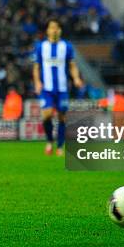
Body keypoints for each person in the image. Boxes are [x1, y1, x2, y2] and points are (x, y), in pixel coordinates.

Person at [33, 20, 83, 156]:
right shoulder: (41, 47)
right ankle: (50, 141)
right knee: (47, 115)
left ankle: (60, 146)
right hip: (47, 89)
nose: (54, 30)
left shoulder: (66, 46)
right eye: (51, 28)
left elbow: (72, 65)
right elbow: (36, 67)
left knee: (62, 117)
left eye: (56, 28)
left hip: (62, 89)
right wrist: (37, 82)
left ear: (60, 30)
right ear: (47, 30)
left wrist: (76, 78)